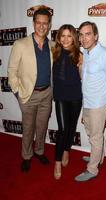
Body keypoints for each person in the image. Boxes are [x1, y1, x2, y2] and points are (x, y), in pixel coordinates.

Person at [8, 8, 53, 172]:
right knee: (28, 128)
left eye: (45, 23)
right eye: (38, 23)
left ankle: (39, 151)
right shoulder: (20, 44)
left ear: (49, 25)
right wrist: (18, 93)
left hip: (47, 94)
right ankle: (26, 156)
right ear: (34, 23)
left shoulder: (52, 45)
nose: (42, 26)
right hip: (28, 95)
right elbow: (12, 71)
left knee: (42, 127)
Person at [75, 21, 106, 182]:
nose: (84, 38)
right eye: (81, 34)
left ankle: (92, 169)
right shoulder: (85, 53)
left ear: (95, 36)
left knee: (95, 136)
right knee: (93, 134)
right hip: (87, 102)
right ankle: (98, 156)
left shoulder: (105, 54)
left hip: (98, 105)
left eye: (88, 34)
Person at [52, 24, 82, 180]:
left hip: (76, 96)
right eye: (62, 35)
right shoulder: (54, 52)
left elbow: (84, 77)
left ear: (74, 38)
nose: (65, 39)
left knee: (71, 127)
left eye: (69, 35)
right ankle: (57, 162)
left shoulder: (80, 55)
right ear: (58, 37)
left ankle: (66, 150)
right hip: (61, 96)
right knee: (62, 130)